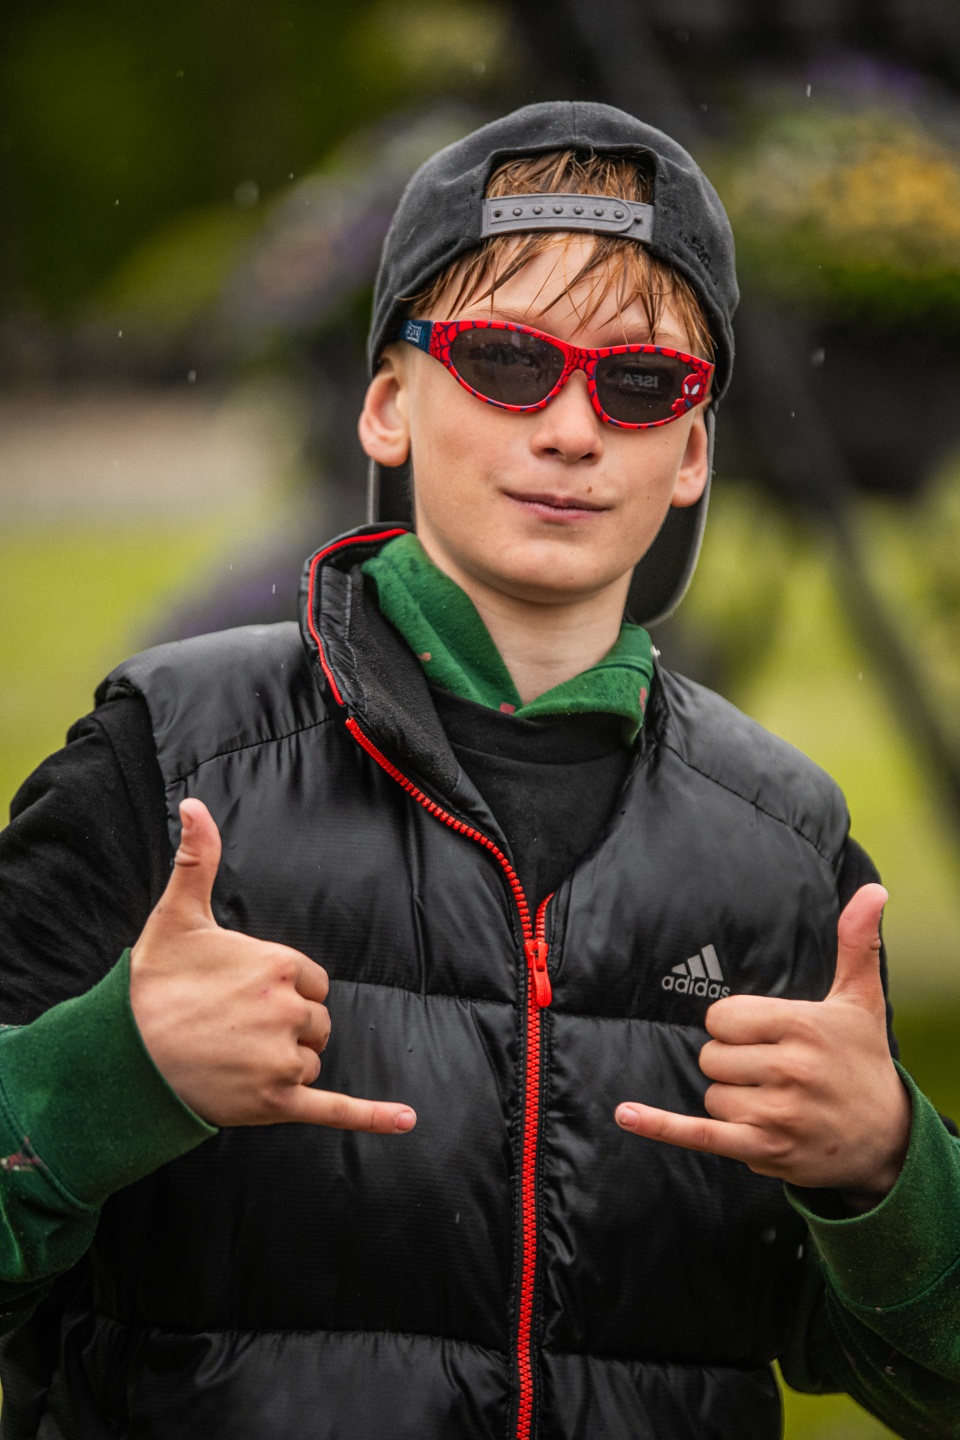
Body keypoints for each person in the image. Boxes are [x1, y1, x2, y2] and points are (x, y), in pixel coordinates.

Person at [0, 101, 958, 1440]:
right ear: (389, 406)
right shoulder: (164, 763)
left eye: (641, 383)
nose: (572, 429)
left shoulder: (790, 848)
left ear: (692, 452)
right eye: (508, 361)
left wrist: (890, 1176)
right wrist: (103, 1082)